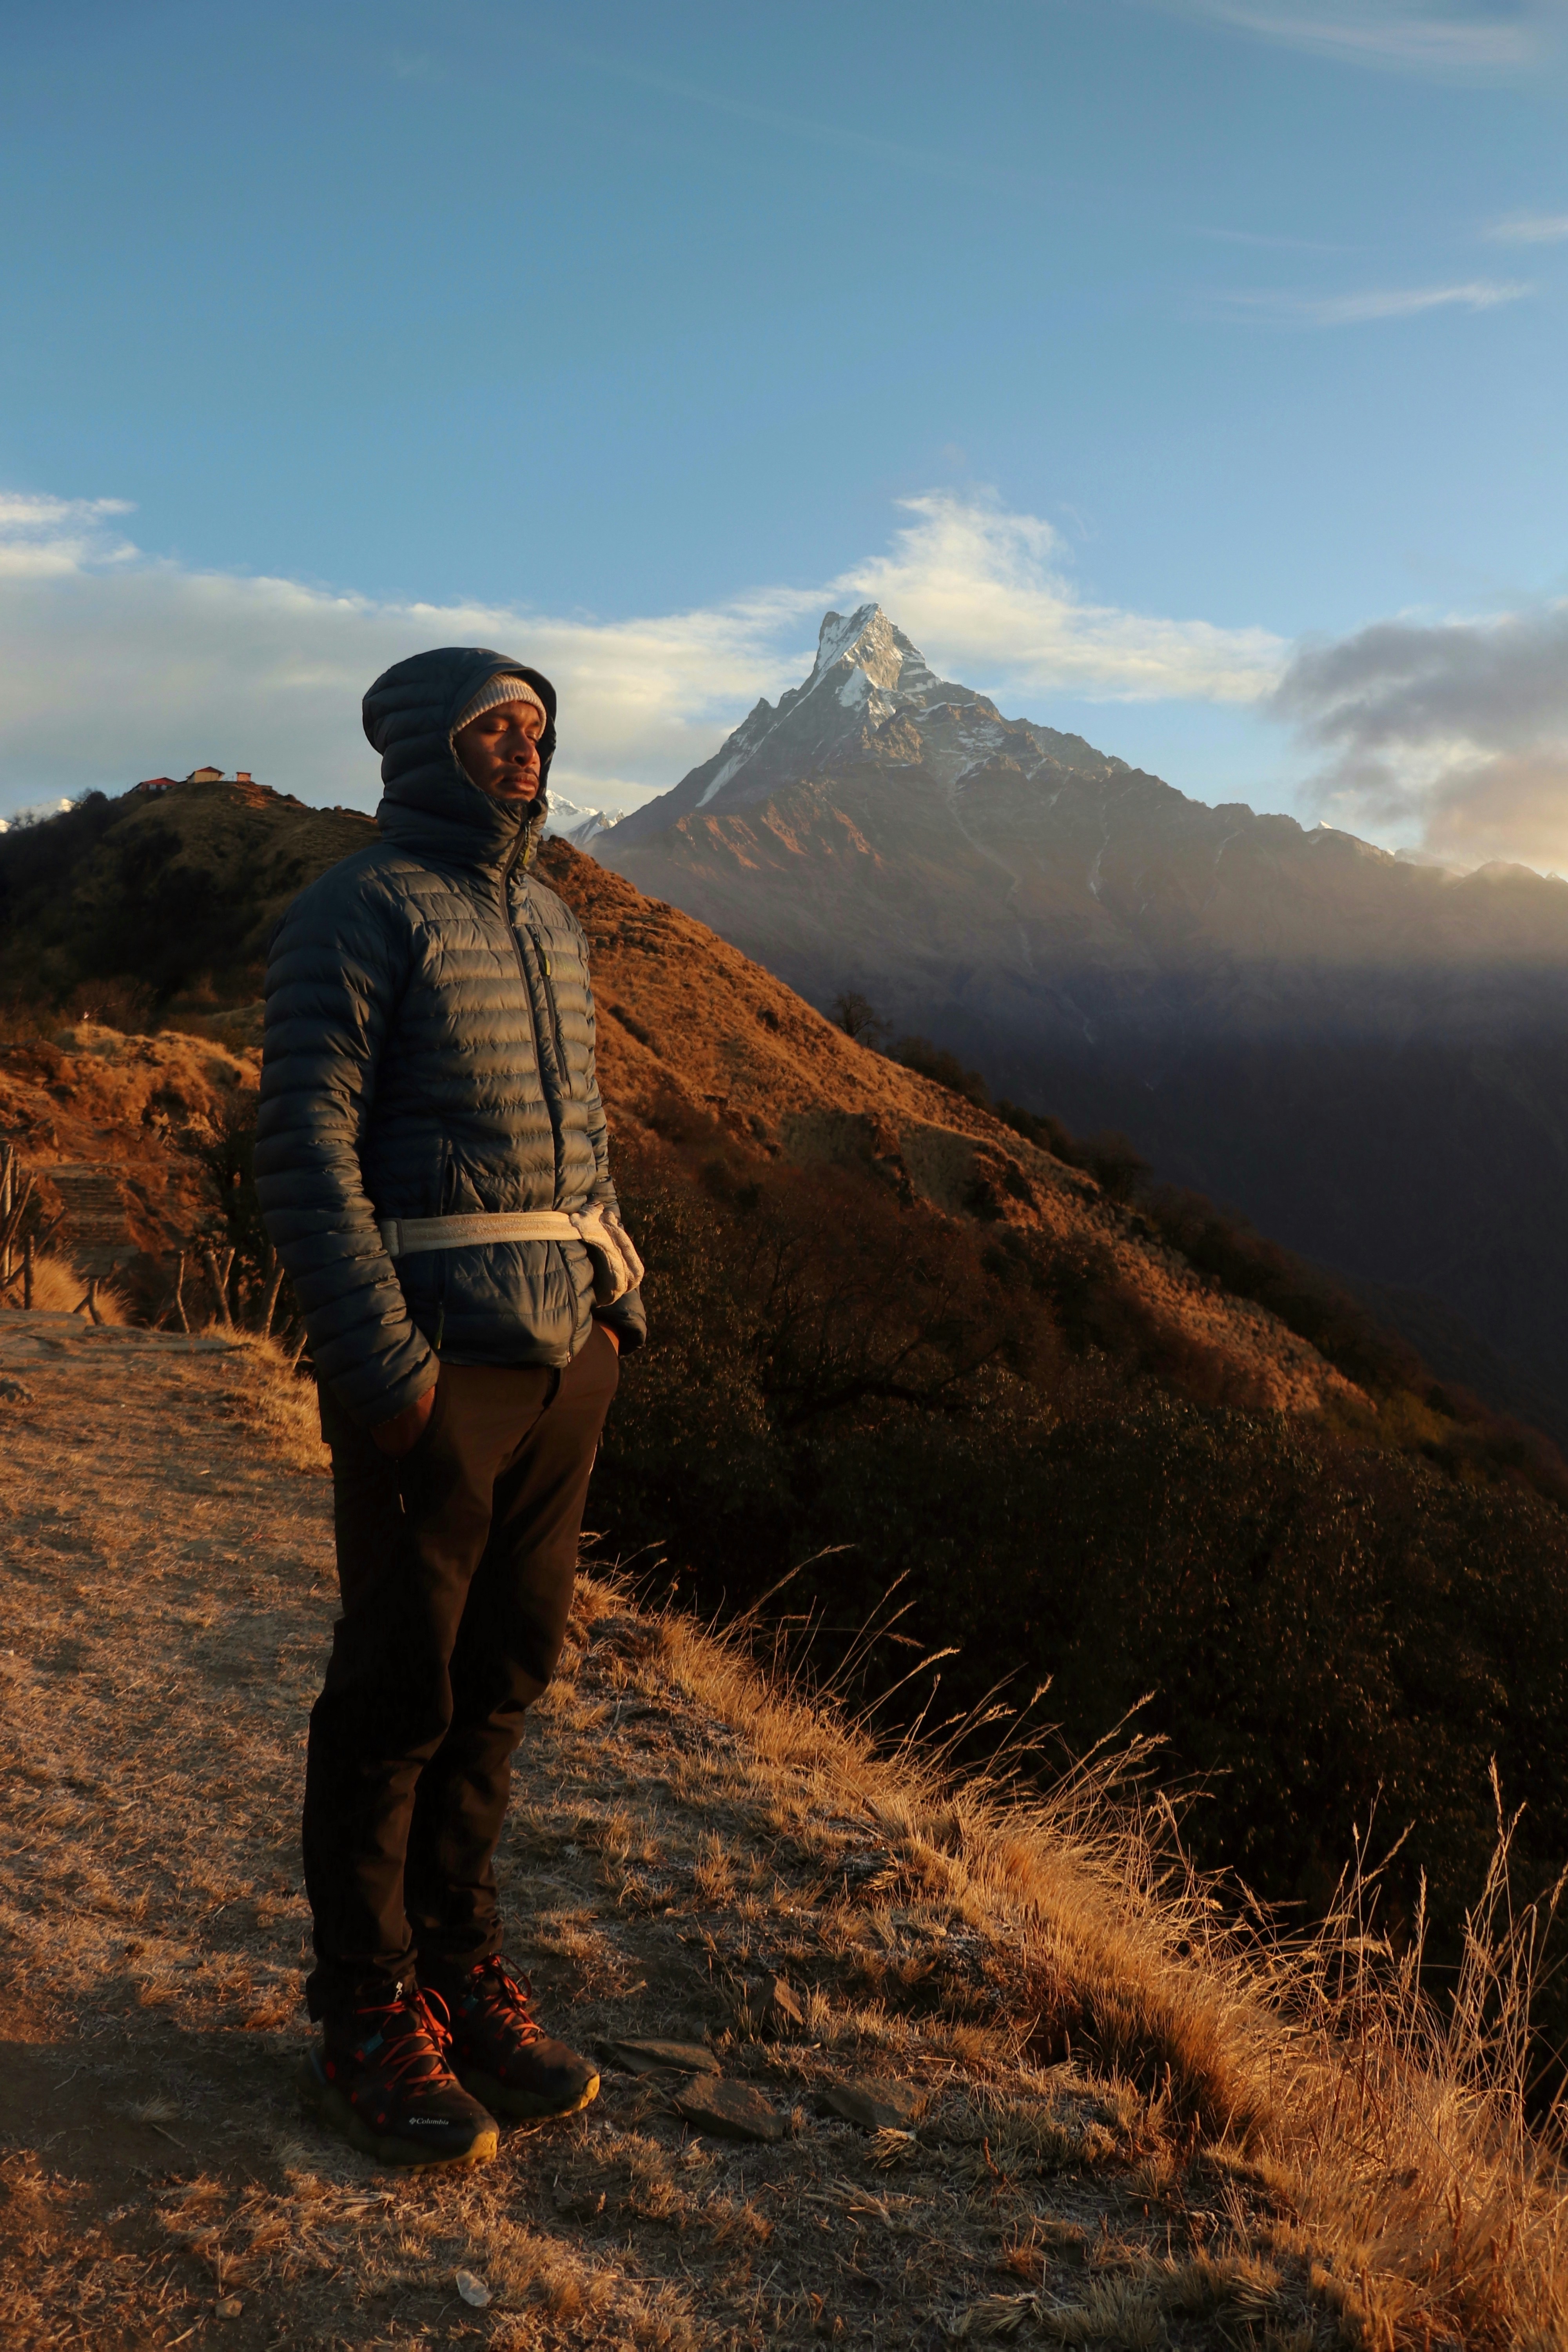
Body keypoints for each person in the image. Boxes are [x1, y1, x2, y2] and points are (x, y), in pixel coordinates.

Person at [256, 646, 645, 2170]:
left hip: (566, 1360)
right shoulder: (356, 912)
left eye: (537, 726)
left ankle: (456, 1965)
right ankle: (364, 2008)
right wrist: (383, 1366)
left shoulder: (548, 916)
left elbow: (586, 1128)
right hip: (438, 1367)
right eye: (496, 726)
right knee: (396, 1689)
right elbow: (300, 1139)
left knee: (502, 1675)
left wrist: (620, 1299)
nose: (524, 750)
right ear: (425, 744)